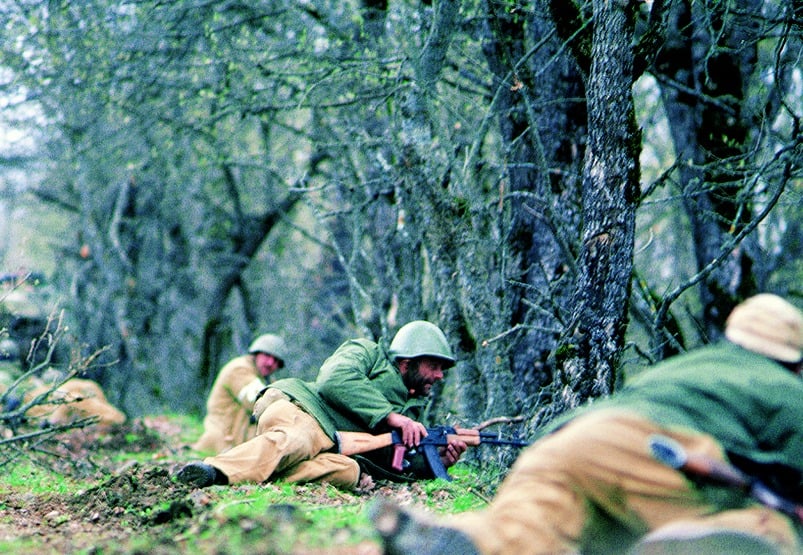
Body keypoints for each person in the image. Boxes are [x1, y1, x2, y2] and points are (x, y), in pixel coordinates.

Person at [370, 294, 803, 555]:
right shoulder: (785, 389)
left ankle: (454, 541)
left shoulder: (693, 365)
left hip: (564, 442)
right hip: (660, 448)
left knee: (520, 532)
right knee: (769, 531)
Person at [176, 320, 467, 489]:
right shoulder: (368, 352)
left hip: (333, 445)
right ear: (407, 361)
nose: (440, 376)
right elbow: (333, 379)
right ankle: (213, 471)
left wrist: (435, 462)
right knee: (297, 440)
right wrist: (391, 417)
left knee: (349, 472)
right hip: (305, 410)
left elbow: (391, 464)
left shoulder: (411, 410)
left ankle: (260, 471)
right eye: (434, 366)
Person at [192, 333, 288, 454]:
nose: (270, 363)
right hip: (219, 443)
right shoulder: (239, 369)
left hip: (236, 446)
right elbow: (257, 400)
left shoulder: (266, 380)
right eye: (267, 355)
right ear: (256, 353)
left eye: (276, 361)